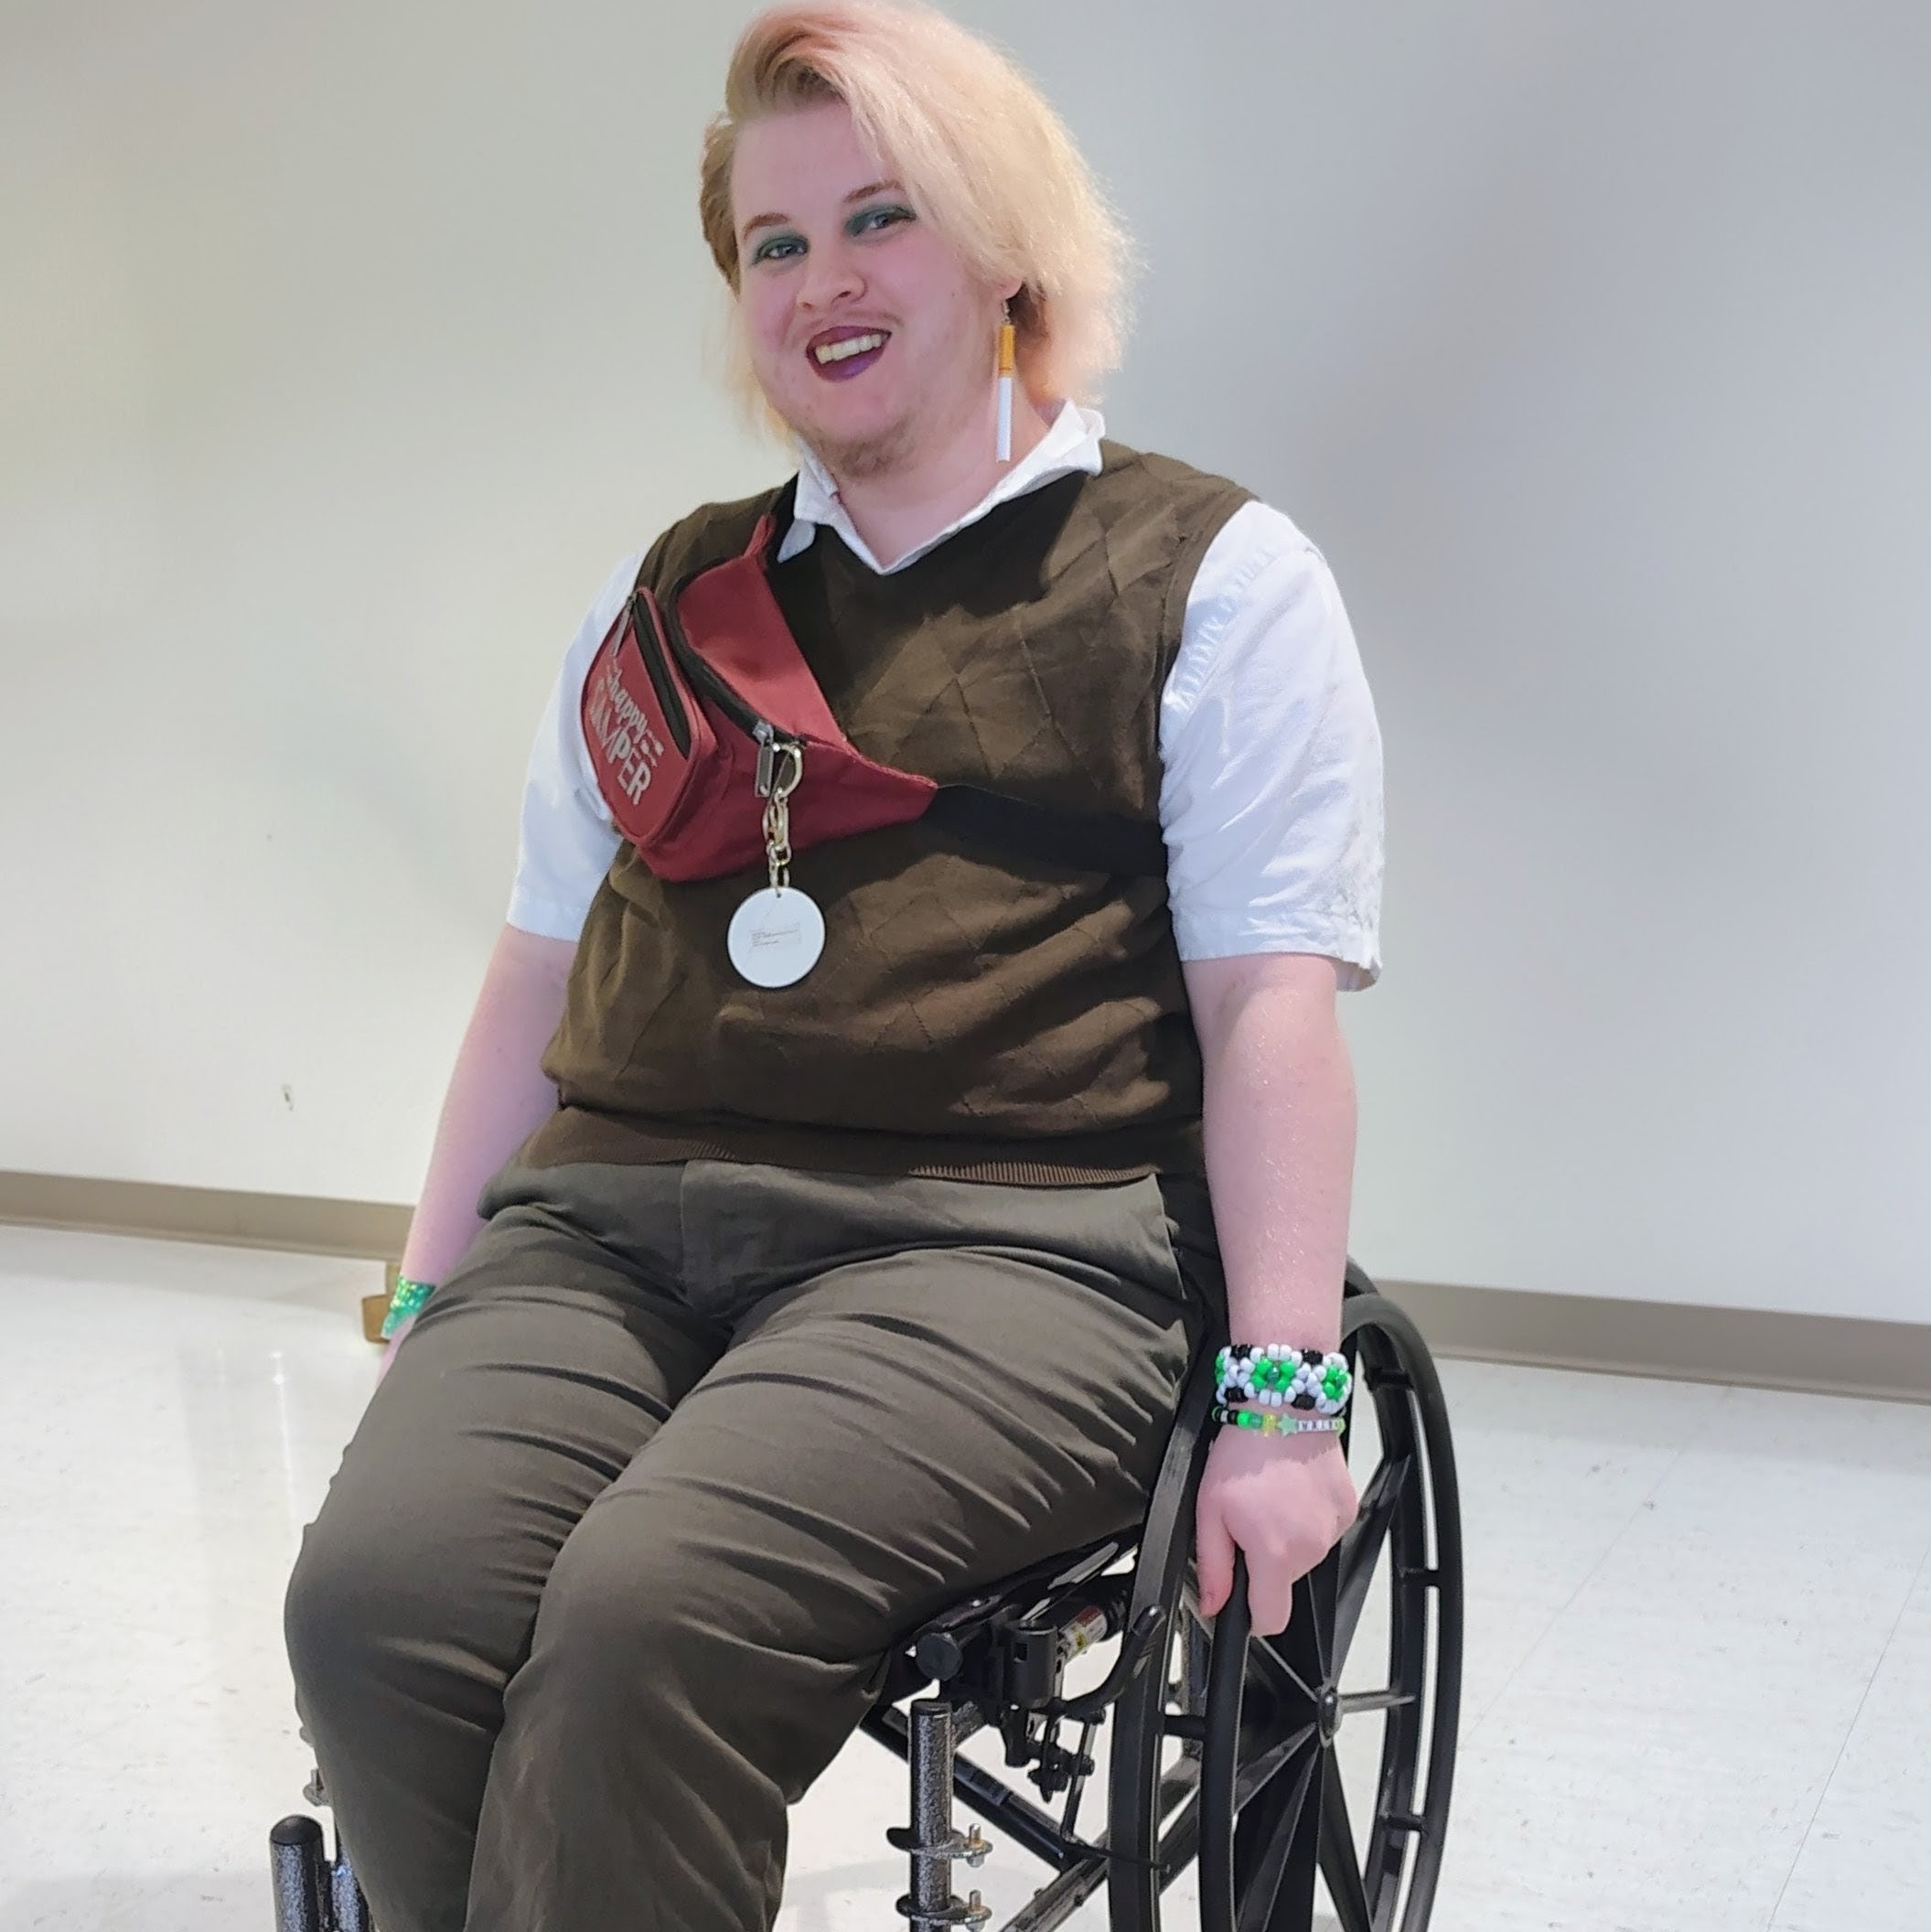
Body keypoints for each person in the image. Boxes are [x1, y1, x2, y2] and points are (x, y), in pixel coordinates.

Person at [283, 4, 1384, 1928]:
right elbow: (539, 967)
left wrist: (1284, 1404)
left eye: (882, 220)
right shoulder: (673, 598)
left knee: (653, 1620)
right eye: (775, 244)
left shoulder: (1209, 578)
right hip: (609, 1227)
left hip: (1003, 1248)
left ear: (1007, 250)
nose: (822, 283)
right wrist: (427, 1294)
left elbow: (1267, 1005)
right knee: (377, 1604)